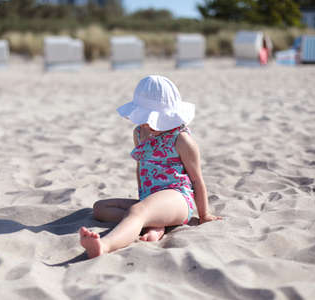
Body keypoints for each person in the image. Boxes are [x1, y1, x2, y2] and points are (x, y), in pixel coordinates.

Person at [79, 75, 221, 258]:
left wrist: (204, 214)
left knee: (137, 211)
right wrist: (143, 198)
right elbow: (141, 168)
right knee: (100, 208)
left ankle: (104, 245)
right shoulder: (139, 133)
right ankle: (154, 224)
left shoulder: (181, 139)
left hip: (177, 198)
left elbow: (196, 179)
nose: (147, 124)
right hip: (150, 197)